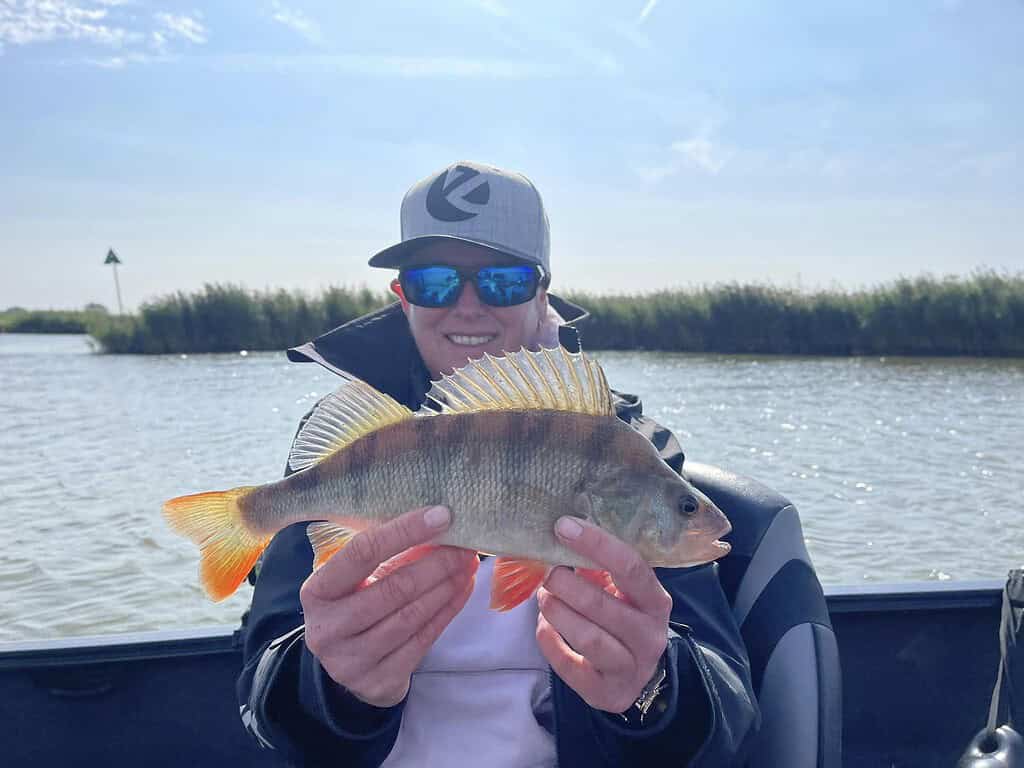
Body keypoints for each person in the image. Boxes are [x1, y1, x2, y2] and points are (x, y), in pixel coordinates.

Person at [236, 161, 759, 766]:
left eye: (503, 281)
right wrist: (331, 685)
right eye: (433, 282)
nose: (467, 306)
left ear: (542, 291)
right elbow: (263, 701)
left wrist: (653, 688)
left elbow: (726, 715)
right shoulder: (355, 451)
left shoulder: (631, 453)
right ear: (401, 296)